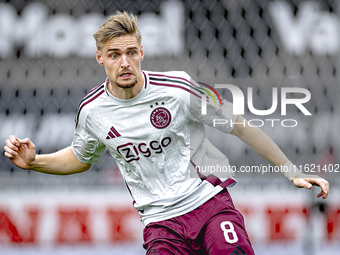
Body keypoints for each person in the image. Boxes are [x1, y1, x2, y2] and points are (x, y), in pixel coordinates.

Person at [4, 11, 329, 255]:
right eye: (115, 55)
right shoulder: (92, 111)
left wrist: (292, 171)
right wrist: (35, 161)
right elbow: (80, 157)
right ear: (100, 58)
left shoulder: (178, 89)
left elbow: (240, 126)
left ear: (142, 52)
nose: (125, 63)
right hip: (161, 226)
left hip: (209, 206)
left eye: (131, 52)